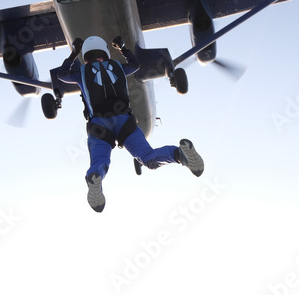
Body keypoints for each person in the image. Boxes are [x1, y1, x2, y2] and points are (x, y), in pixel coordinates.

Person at [56, 35, 203, 212]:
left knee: (100, 162)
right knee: (147, 157)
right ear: (105, 51)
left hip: (99, 126)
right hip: (125, 121)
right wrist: (123, 48)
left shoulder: (81, 72)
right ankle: (180, 154)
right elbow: (135, 65)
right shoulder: (118, 67)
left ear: (85, 56)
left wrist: (73, 54)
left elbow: (62, 74)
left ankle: (95, 177)